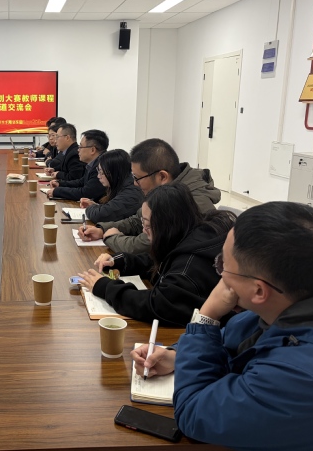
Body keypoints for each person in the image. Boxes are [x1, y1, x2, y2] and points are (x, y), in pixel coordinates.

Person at [131, 202, 313, 451]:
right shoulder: (294, 301)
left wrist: (206, 316)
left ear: (259, 290)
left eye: (223, 265)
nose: (220, 275)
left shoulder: (305, 379)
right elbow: (230, 339)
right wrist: (177, 356)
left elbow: (194, 413)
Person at [78, 183, 235, 326]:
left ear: (167, 226)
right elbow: (161, 261)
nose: (144, 231)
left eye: (147, 225)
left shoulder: (189, 265)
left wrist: (105, 287)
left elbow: (157, 305)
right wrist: (120, 261)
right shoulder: (189, 233)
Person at [78, 138, 221, 254]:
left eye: (137, 178)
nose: (135, 183)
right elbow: (137, 220)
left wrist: (111, 237)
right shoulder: (165, 191)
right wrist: (102, 229)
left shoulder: (186, 202)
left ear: (162, 177)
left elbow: (144, 245)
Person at [79, 149, 144, 223]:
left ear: (114, 173)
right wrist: (96, 206)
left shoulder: (131, 193)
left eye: (101, 172)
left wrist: (90, 208)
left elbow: (101, 215)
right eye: (98, 171)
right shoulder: (123, 185)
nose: (98, 176)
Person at [47, 129, 109, 201]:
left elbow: (85, 193)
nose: (78, 150)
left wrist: (58, 191)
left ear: (92, 150)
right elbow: (81, 182)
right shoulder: (93, 163)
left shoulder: (101, 167)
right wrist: (60, 184)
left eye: (81, 147)